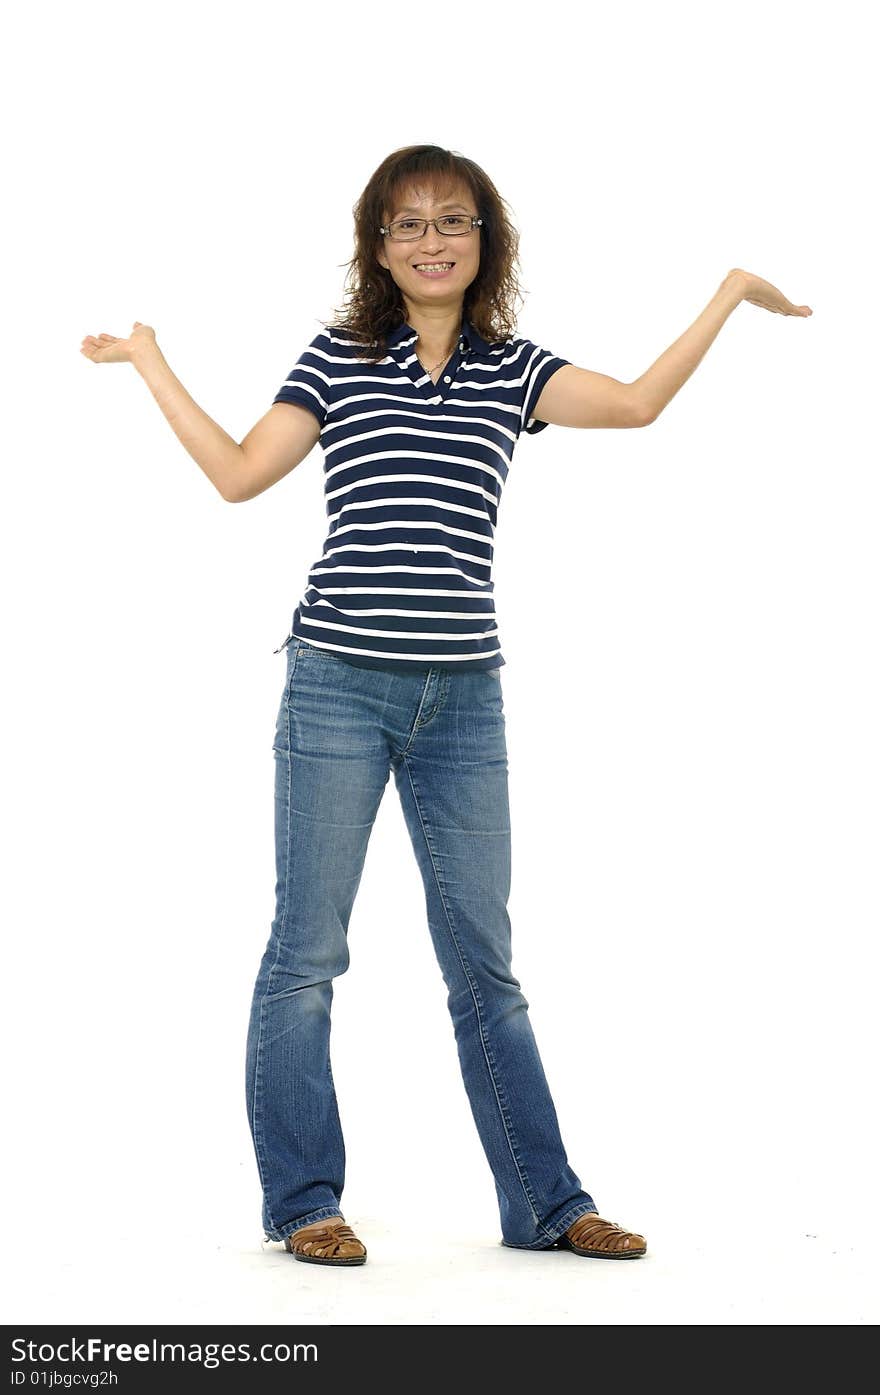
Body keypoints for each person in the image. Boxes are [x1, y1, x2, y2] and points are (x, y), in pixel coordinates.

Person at [80, 144, 811, 1269]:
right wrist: (149, 362)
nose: (432, 241)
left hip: (465, 700)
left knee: (486, 965)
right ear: (379, 247)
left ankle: (548, 1204)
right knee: (307, 953)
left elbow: (635, 405)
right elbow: (235, 474)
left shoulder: (513, 371)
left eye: (454, 222)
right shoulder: (336, 358)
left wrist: (725, 292)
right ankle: (302, 1203)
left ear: (484, 242)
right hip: (335, 685)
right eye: (408, 224)